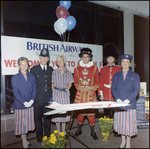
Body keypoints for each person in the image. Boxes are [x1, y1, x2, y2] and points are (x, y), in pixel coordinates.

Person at [111, 54, 140, 148]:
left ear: (130, 63)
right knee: (121, 124)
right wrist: (117, 99)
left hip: (130, 104)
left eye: (127, 62)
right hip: (119, 104)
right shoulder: (116, 75)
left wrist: (128, 100)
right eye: (123, 61)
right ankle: (123, 140)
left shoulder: (135, 75)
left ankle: (128, 141)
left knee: (129, 124)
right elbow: (113, 88)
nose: (125, 64)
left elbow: (136, 89)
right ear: (121, 63)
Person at [73, 48, 100, 141]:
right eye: (83, 57)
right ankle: (79, 130)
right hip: (80, 94)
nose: (85, 59)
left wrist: (90, 89)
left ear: (89, 58)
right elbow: (76, 82)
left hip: (90, 94)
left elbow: (97, 82)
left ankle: (93, 132)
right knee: (80, 114)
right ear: (81, 58)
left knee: (91, 114)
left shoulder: (95, 68)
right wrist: (81, 88)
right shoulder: (76, 69)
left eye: (87, 57)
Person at [11, 57, 36, 148]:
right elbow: (16, 92)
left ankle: (25, 139)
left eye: (25, 64)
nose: (24, 66)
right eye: (22, 64)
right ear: (19, 66)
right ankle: (24, 141)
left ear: (28, 65)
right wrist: (24, 102)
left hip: (30, 103)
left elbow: (34, 89)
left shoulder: (31, 76)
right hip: (20, 105)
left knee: (27, 124)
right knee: (22, 124)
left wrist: (32, 100)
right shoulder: (15, 77)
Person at [30, 48, 54, 142]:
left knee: (47, 119)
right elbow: (31, 85)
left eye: (46, 58)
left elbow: (52, 84)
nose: (44, 59)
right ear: (39, 58)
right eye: (42, 57)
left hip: (48, 99)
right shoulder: (34, 69)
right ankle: (39, 136)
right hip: (38, 99)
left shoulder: (51, 69)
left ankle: (48, 135)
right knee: (38, 119)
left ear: (48, 59)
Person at [51, 55, 74, 135]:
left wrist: (67, 89)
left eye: (61, 61)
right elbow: (52, 84)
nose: (60, 62)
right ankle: (58, 130)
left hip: (65, 94)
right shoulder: (54, 72)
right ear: (56, 63)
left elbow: (70, 83)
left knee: (64, 113)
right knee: (57, 113)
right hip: (56, 94)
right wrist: (54, 92)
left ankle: (63, 130)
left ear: (64, 61)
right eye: (58, 61)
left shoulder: (69, 72)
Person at [98, 43, 121, 118]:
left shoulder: (119, 68)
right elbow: (101, 82)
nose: (110, 59)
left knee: (116, 113)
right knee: (107, 113)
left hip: (116, 93)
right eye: (108, 58)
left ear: (115, 58)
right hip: (106, 93)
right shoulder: (103, 69)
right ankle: (107, 128)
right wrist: (100, 94)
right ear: (106, 59)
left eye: (112, 58)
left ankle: (116, 128)